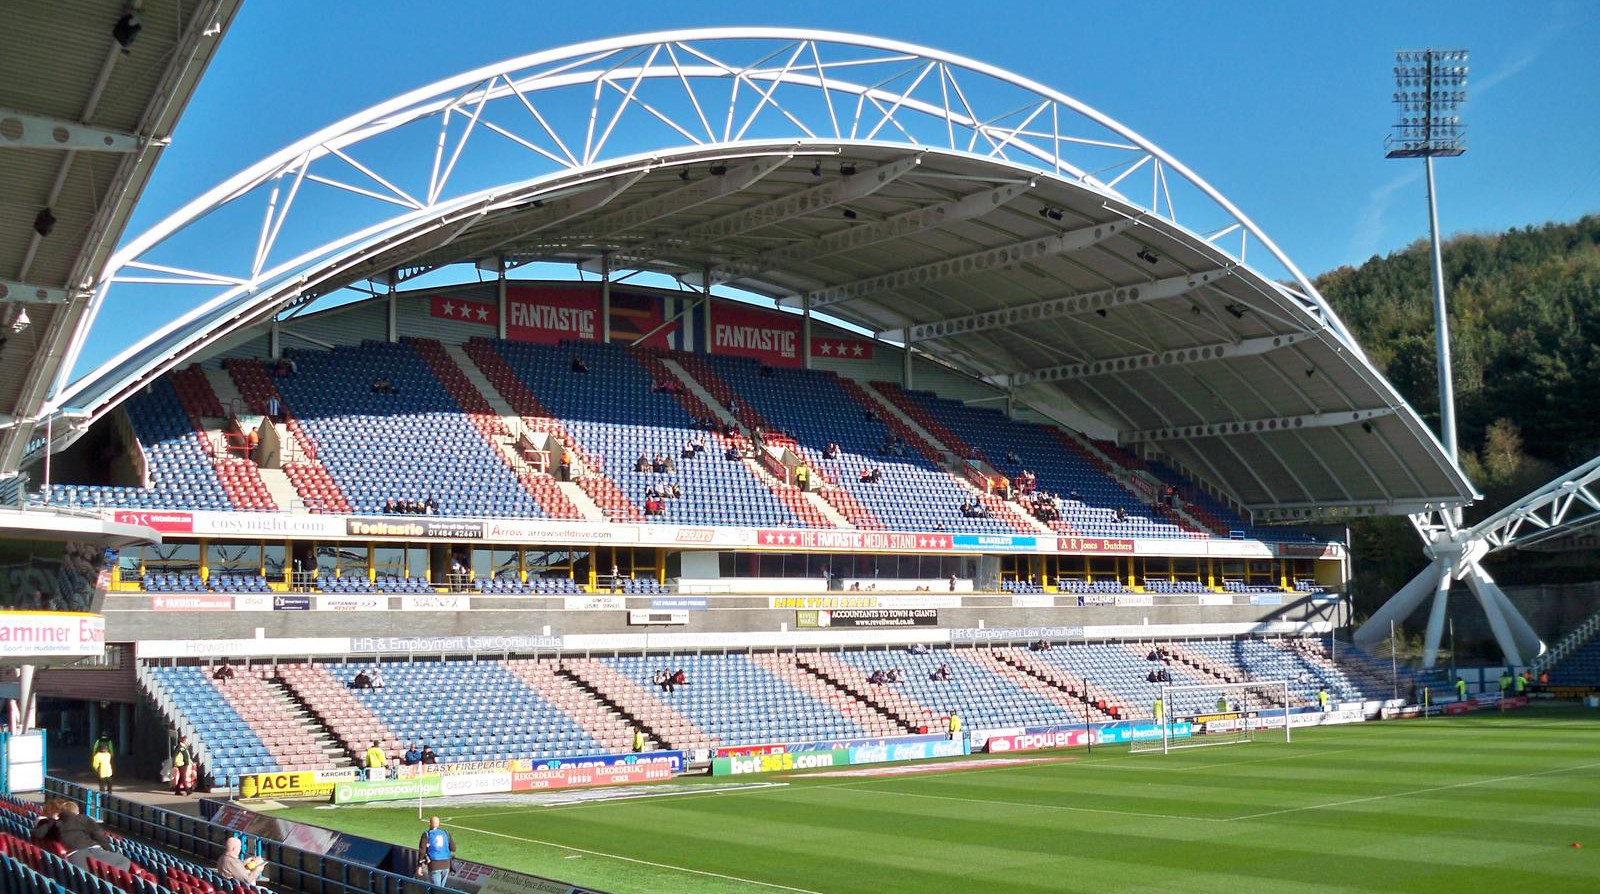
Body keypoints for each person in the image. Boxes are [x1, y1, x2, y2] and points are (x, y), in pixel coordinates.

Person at [34, 799, 133, 871]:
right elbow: (99, 835)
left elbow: (37, 834)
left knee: (86, 876)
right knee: (124, 861)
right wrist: (109, 849)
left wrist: (50, 821)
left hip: (74, 855)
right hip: (93, 850)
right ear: (76, 812)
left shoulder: (55, 824)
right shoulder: (83, 818)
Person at [419, 816, 455, 888]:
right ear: (439, 824)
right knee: (441, 889)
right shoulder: (446, 833)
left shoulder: (427, 834)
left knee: (436, 890)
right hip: (446, 864)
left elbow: (422, 851)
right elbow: (453, 848)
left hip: (434, 865)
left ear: (429, 823)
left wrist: (419, 866)